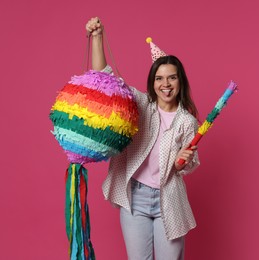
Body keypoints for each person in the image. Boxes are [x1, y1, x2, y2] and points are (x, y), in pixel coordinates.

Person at [86, 17, 200, 260]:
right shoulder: (140, 104)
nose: (165, 84)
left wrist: (182, 161)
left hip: (168, 199)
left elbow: (187, 166)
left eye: (172, 77)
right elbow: (104, 78)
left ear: (180, 81)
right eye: (159, 78)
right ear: (153, 82)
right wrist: (97, 37)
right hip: (135, 197)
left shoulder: (187, 122)